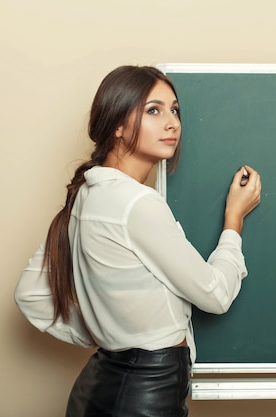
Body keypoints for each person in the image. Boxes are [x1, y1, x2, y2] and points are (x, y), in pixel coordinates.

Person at [14, 65, 262, 417]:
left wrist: (108, 336)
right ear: (117, 125)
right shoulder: (137, 203)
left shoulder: (86, 194)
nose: (172, 122)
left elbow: (30, 294)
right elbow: (215, 295)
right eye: (153, 110)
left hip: (96, 389)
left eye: (174, 110)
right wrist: (233, 220)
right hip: (146, 394)